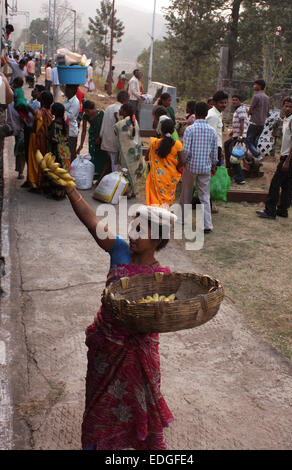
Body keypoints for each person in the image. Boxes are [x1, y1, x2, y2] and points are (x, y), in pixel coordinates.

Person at [63, 186, 175, 449]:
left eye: (141, 230)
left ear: (158, 239)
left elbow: (160, 319)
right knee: (99, 409)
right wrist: (70, 191)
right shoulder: (119, 250)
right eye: (132, 227)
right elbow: (92, 222)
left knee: (139, 409)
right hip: (107, 350)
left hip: (139, 357)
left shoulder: (163, 278)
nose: (132, 234)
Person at [256, 97, 292, 220]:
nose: (287, 108)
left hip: (288, 158)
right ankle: (283, 210)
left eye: (290, 106)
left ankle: (270, 211)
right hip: (287, 156)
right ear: (283, 106)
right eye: (285, 106)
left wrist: (287, 161)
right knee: (287, 185)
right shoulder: (285, 120)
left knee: (275, 184)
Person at [180, 102, 218, 234]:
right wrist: (214, 164)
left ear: (195, 113)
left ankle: (182, 219)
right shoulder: (212, 131)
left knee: (186, 193)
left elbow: (186, 150)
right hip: (205, 167)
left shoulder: (189, 130)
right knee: (204, 196)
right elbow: (214, 151)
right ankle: (207, 225)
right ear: (207, 114)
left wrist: (185, 163)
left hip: (191, 166)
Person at [146, 118, 184, 208]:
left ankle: (154, 218)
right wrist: (177, 168)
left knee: (155, 201)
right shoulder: (177, 144)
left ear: (161, 130)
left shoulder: (154, 143)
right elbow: (183, 160)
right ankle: (163, 217)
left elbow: (146, 157)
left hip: (156, 177)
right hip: (170, 177)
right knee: (166, 202)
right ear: (173, 130)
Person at [114, 103, 144, 198]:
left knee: (126, 172)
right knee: (133, 173)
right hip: (136, 153)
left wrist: (116, 119)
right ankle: (133, 191)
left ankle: (128, 192)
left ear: (125, 111)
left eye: (121, 109)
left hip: (127, 153)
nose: (120, 111)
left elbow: (116, 130)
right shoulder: (134, 120)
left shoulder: (124, 122)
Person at [77, 100, 110, 180]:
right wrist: (81, 145)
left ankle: (101, 175)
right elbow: (84, 131)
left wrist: (100, 137)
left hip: (101, 138)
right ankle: (94, 173)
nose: (86, 113)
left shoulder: (102, 114)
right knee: (93, 154)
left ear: (89, 110)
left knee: (102, 155)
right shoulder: (86, 116)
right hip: (92, 137)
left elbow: (105, 128)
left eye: (87, 111)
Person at [27, 91, 54, 190]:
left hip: (36, 138)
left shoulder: (39, 112)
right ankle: (41, 181)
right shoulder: (50, 113)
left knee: (34, 160)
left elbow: (35, 127)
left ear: (42, 100)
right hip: (45, 140)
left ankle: (34, 182)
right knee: (42, 160)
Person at [46, 102, 70, 200]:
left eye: (52, 109)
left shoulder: (54, 124)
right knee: (63, 171)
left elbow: (52, 138)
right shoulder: (64, 124)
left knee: (55, 171)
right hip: (65, 150)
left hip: (56, 151)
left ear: (55, 112)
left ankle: (57, 193)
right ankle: (63, 192)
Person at [100, 91, 130, 172]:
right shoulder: (122, 110)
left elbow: (103, 125)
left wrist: (100, 136)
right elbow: (121, 128)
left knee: (111, 162)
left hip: (106, 140)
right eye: (128, 100)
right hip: (115, 142)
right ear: (125, 100)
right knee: (115, 165)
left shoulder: (109, 107)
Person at [224, 95, 247, 185]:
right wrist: (232, 132)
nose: (234, 102)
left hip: (239, 137)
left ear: (240, 101)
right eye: (233, 100)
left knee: (235, 157)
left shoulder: (240, 109)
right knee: (227, 146)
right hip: (236, 135)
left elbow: (242, 122)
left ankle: (240, 178)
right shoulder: (237, 110)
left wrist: (240, 135)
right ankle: (230, 169)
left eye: (236, 100)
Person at [247, 79, 270, 159]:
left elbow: (251, 108)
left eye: (255, 84)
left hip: (254, 122)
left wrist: (248, 113)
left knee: (248, 140)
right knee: (255, 141)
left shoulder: (256, 96)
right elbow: (267, 111)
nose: (254, 86)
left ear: (259, 86)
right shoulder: (267, 98)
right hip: (262, 123)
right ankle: (253, 157)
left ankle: (257, 155)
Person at [206, 90, 228, 166]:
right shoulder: (213, 116)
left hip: (217, 148)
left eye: (225, 103)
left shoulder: (219, 113)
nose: (224, 105)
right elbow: (211, 137)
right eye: (221, 103)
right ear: (214, 103)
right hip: (213, 149)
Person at [64, 84, 80, 162]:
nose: (65, 90)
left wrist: (61, 111)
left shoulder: (75, 102)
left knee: (71, 153)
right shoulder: (67, 99)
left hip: (71, 131)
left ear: (73, 91)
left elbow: (70, 116)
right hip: (66, 129)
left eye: (67, 89)